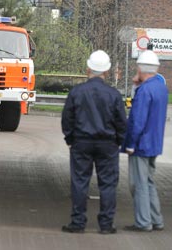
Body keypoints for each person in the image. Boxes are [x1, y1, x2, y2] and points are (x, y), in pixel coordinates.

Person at [61, 50, 127, 234]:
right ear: (106, 71)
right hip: (107, 144)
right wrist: (119, 141)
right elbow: (122, 121)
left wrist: (70, 138)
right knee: (107, 183)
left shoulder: (77, 92)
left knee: (80, 182)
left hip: (82, 142)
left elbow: (67, 118)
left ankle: (78, 222)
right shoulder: (113, 94)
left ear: (88, 68)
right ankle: (106, 225)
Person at [123, 50, 168, 232]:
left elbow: (137, 119)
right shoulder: (160, 87)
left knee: (138, 184)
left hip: (141, 144)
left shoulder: (144, 90)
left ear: (141, 69)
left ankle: (143, 222)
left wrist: (130, 144)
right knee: (148, 181)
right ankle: (156, 219)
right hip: (154, 143)